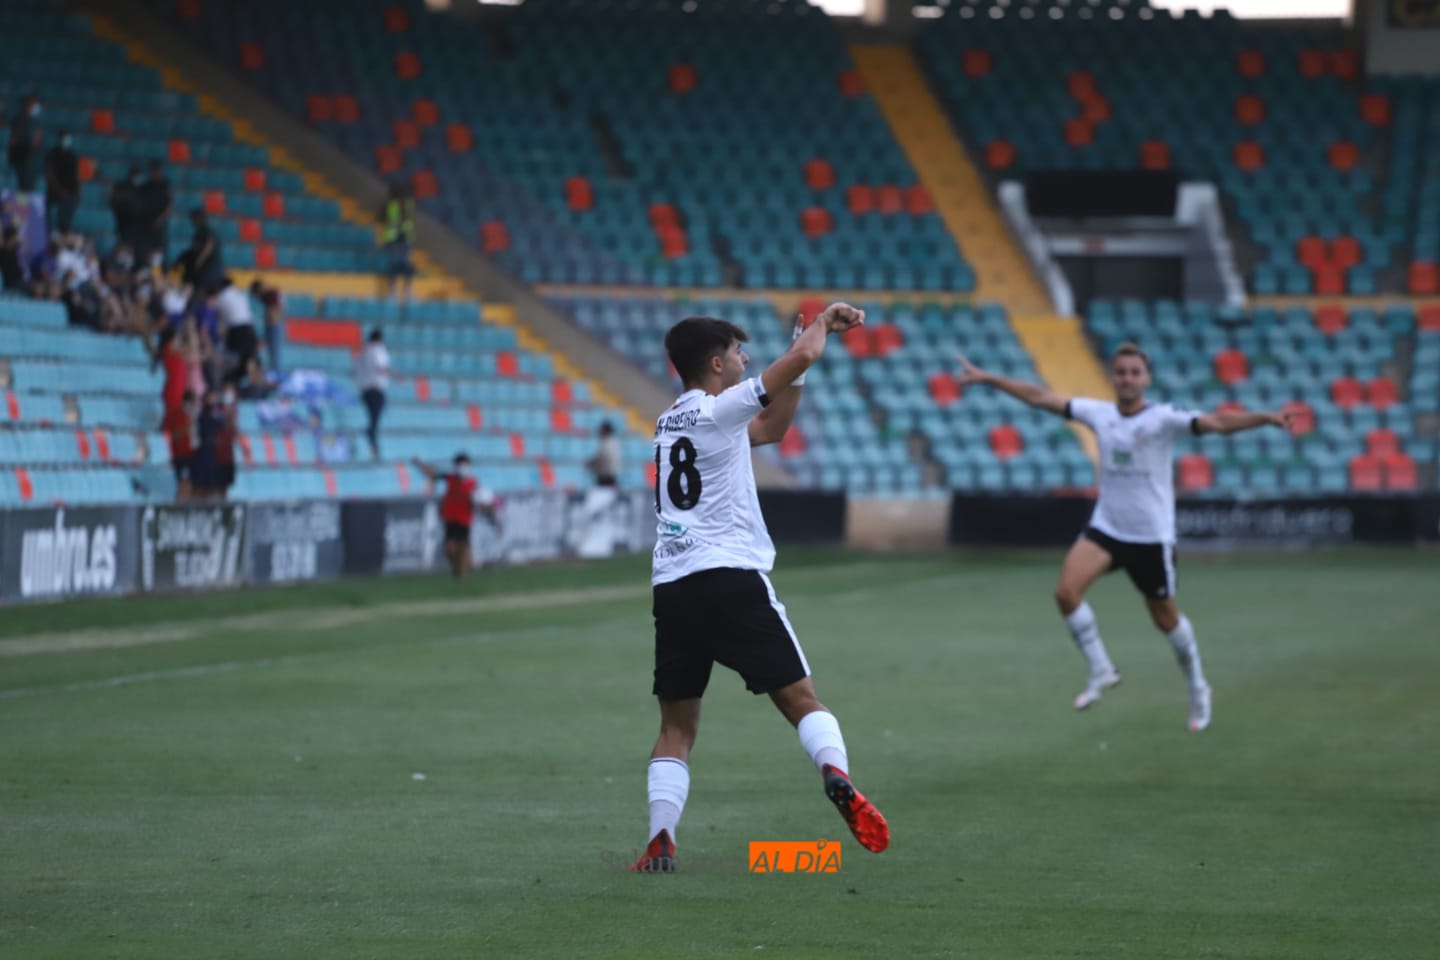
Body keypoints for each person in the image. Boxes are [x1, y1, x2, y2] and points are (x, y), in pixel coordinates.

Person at [632, 303, 888, 875]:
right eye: (740, 354)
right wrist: (821, 325)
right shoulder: (720, 411)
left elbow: (771, 428)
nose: (747, 360)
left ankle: (660, 839)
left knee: (676, 727)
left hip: (673, 586)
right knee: (802, 702)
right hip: (728, 577)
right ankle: (837, 774)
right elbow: (801, 355)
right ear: (718, 363)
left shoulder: (671, 420)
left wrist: (794, 371)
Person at [953, 343, 1297, 732]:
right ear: (1113, 376)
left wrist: (1265, 418)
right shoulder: (1098, 414)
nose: (1128, 379)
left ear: (1146, 379)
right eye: (1121, 372)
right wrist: (990, 378)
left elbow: (1217, 423)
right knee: (1066, 593)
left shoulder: (1163, 419)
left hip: (1151, 537)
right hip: (1108, 529)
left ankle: (1198, 686)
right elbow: (1041, 397)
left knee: (1166, 620)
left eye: (1135, 372)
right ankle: (1101, 669)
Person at [410, 453, 498, 580]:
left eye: (465, 465)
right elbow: (432, 475)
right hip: (450, 517)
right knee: (449, 548)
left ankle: (461, 575)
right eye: (460, 465)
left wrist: (488, 512)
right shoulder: (451, 478)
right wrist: (419, 464)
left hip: (464, 519)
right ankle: (462, 567)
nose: (463, 468)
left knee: (462, 546)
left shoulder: (473, 483)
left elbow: (482, 502)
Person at [213, 276, 258, 388]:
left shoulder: (222, 297)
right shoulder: (241, 294)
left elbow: (219, 315)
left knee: (234, 361)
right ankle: (249, 382)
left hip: (236, 331)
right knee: (249, 359)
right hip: (249, 329)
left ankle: (229, 383)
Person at [378, 181, 415, 301]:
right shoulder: (392, 205)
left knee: (404, 265)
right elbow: (383, 218)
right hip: (395, 238)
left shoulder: (405, 204)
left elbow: (409, 218)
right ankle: (395, 291)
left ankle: (405, 290)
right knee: (396, 264)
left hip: (402, 238)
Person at [355, 328, 390, 459]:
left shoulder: (364, 351)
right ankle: (373, 444)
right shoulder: (377, 351)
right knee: (374, 420)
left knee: (373, 418)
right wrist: (397, 376)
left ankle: (372, 443)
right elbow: (381, 367)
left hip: (365, 390)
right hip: (375, 389)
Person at [162, 388, 198, 501]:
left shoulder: (193, 418)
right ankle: (179, 504)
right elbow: (170, 437)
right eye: (192, 403)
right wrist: (186, 429)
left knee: (191, 484)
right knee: (182, 483)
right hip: (180, 457)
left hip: (192, 456)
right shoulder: (175, 415)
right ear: (186, 402)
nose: (193, 406)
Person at [136, 159, 172, 266]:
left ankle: (155, 270)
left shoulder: (164, 186)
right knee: (146, 248)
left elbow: (169, 206)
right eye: (153, 171)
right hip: (146, 223)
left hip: (159, 225)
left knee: (158, 249)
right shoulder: (146, 187)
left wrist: (160, 219)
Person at [43, 130, 80, 234]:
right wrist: (59, 190)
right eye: (64, 138)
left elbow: (76, 175)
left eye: (68, 138)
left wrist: (78, 193)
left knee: (66, 223)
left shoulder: (73, 155)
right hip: (55, 193)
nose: (66, 140)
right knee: (51, 221)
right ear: (59, 139)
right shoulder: (52, 154)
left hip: (70, 193)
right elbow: (49, 174)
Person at [180, 208, 222, 291]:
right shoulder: (198, 233)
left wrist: (199, 261)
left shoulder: (205, 230)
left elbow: (208, 245)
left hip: (210, 267)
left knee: (202, 292)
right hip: (208, 268)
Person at [7, 95, 40, 193]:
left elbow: (37, 139)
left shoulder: (34, 121)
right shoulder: (18, 120)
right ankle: (20, 206)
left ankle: (25, 205)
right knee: (22, 187)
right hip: (20, 158)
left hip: (31, 160)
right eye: (33, 105)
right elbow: (14, 140)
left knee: (30, 187)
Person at [109, 165, 143, 252]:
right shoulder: (123, 186)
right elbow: (113, 200)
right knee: (124, 242)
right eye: (136, 175)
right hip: (124, 221)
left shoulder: (140, 189)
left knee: (130, 244)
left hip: (134, 222)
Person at [586, 420, 621, 487]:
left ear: (605, 431)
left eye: (602, 430)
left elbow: (603, 459)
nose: (600, 432)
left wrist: (591, 463)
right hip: (610, 475)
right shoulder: (614, 442)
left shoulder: (607, 443)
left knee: (604, 495)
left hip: (606, 477)